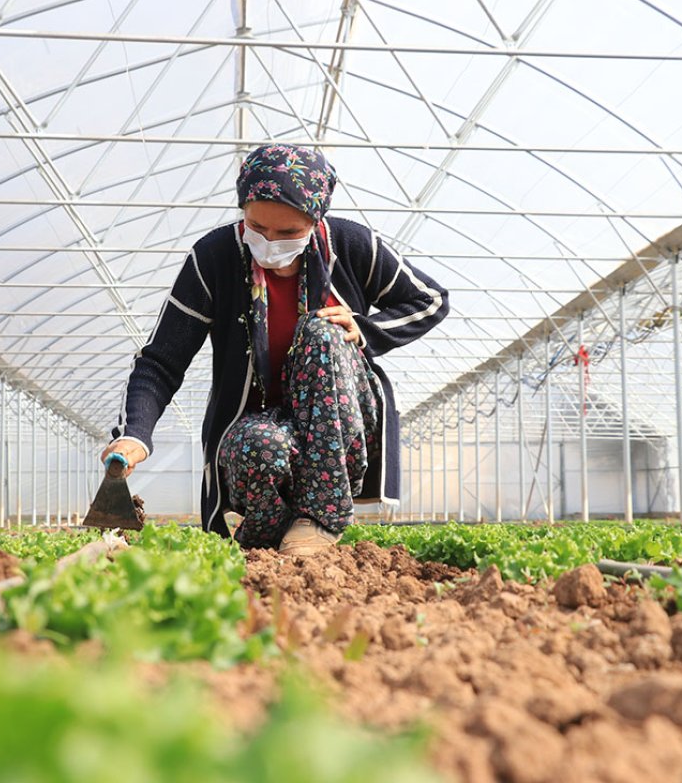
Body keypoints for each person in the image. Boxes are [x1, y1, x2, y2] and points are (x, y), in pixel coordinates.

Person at [103, 143, 449, 555]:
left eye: (288, 233)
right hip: (266, 422)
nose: (269, 243)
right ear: (243, 211)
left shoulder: (351, 245)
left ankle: (320, 517)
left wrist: (365, 328)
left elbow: (430, 299)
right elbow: (162, 360)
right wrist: (135, 435)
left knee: (321, 333)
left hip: (342, 422)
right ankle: (263, 543)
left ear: (316, 219)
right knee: (255, 446)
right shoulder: (214, 258)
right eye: (257, 228)